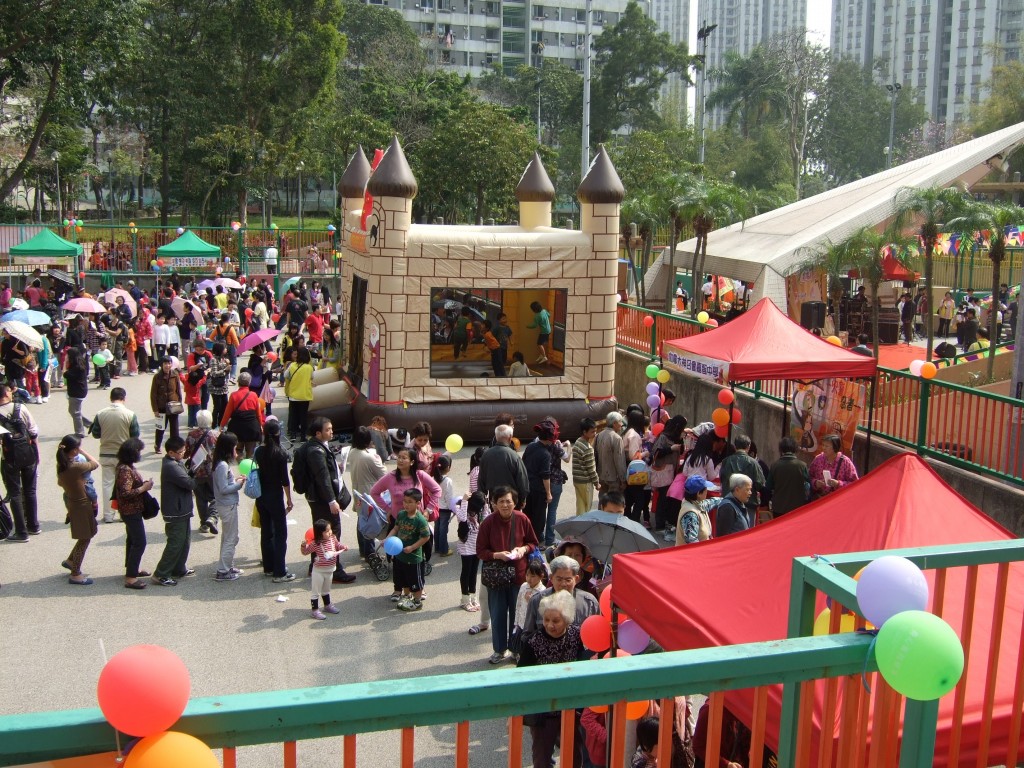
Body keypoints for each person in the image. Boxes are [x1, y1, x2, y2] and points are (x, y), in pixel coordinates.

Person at [517, 590, 589, 768]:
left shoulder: (577, 635)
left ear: (567, 619)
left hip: (570, 707)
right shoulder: (533, 642)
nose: (550, 625)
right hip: (543, 710)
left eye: (556, 621)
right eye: (546, 619)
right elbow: (521, 675)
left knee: (574, 756)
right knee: (542, 758)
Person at [477, 485, 540, 664]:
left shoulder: (522, 519)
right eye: (501, 501)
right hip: (496, 578)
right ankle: (499, 650)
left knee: (518, 615)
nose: (505, 505)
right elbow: (480, 551)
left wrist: (523, 549)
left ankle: (516, 649)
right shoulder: (488, 523)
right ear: (494, 503)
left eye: (508, 501)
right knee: (497, 615)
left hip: (519, 576)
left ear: (515, 503)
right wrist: (496, 555)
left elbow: (533, 543)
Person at [301, 416, 357, 584]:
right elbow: (322, 477)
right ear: (318, 433)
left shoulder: (318, 446)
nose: (332, 432)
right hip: (323, 499)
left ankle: (315, 564)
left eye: (331, 428)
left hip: (319, 497)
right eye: (328, 429)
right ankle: (335, 570)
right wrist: (332, 501)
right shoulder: (315, 451)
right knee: (330, 533)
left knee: (320, 532)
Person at [89, 387, 142, 524]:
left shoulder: (100, 414)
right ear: (124, 398)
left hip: (106, 453)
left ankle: (108, 515)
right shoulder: (130, 414)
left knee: (107, 484)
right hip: (124, 456)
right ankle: (123, 513)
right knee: (125, 485)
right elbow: (135, 435)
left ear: (110, 398)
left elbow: (96, 434)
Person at [151, 436, 196, 587]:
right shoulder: (171, 466)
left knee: (185, 541)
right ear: (171, 452)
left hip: (182, 508)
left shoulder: (175, 463)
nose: (183, 453)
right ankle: (161, 573)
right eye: (181, 452)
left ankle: (178, 568)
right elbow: (189, 483)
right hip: (175, 510)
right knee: (175, 543)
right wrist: (198, 475)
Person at [255, 419, 296, 582]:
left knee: (266, 532)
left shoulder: (259, 451)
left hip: (261, 496)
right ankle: (279, 571)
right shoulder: (280, 453)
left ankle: (269, 566)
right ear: (278, 433)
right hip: (275, 496)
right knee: (280, 534)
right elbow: (284, 480)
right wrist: (289, 499)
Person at [55, 435, 99, 585]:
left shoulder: (62, 465)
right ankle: (75, 573)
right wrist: (83, 451)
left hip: (73, 503)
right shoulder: (75, 466)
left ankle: (70, 561)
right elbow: (95, 463)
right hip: (81, 505)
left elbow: (60, 483)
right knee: (85, 537)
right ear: (74, 450)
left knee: (87, 533)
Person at [521, 554, 601, 633]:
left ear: (576, 579)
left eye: (568, 580)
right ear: (551, 578)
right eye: (559, 579)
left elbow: (597, 632)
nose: (563, 584)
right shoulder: (536, 601)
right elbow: (527, 635)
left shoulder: (589, 603)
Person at [0, 383, 40, 541]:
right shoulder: (20, 408)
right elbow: (33, 431)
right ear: (6, 393)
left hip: (9, 457)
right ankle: (33, 525)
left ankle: (21, 532)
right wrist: (36, 451)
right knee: (30, 491)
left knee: (15, 493)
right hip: (28, 453)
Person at [385, 488, 432, 612]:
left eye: (410, 502)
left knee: (415, 582)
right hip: (400, 556)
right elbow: (396, 528)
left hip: (414, 558)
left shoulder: (420, 520)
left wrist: (412, 547)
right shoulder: (401, 514)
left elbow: (426, 537)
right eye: (404, 501)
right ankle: (407, 597)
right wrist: (388, 538)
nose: (406, 504)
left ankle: (417, 602)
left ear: (418, 503)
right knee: (403, 580)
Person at [114, 438, 152, 589]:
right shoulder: (125, 470)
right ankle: (131, 578)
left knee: (132, 540)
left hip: (130, 510)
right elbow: (125, 493)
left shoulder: (124, 466)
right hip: (130, 510)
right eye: (139, 451)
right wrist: (144, 488)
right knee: (140, 542)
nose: (140, 454)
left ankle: (132, 569)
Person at [348, 426, 387, 559]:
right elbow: (383, 474)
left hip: (358, 490)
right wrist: (378, 458)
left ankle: (363, 549)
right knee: (371, 522)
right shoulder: (369, 457)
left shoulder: (353, 452)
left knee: (362, 520)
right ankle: (370, 552)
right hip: (369, 492)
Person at [211, 430, 245, 581]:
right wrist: (238, 484)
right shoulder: (223, 465)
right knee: (231, 538)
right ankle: (223, 570)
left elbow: (224, 484)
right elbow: (223, 489)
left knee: (229, 537)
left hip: (226, 504)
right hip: (227, 505)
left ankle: (227, 566)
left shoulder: (220, 463)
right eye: (235, 447)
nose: (236, 450)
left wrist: (235, 481)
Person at [301, 518, 346, 619]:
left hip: (330, 570)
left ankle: (327, 605)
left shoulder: (333, 538)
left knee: (326, 589)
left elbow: (338, 545)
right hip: (319, 571)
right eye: (327, 531)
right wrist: (303, 546)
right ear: (319, 533)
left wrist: (343, 547)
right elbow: (305, 552)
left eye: (330, 529)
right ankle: (315, 611)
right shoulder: (315, 544)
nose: (330, 532)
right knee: (316, 592)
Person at [184, 410, 220, 534]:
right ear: (210, 420)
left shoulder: (191, 434)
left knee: (200, 498)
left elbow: (186, 453)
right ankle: (213, 517)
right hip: (212, 470)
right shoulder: (216, 435)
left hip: (196, 470)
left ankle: (204, 523)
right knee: (216, 496)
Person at [478, 424, 529, 505]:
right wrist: (522, 499)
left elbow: (481, 479)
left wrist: (483, 498)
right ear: (510, 437)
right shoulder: (514, 456)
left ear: (496, 436)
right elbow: (522, 480)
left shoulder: (486, 455)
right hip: (511, 501)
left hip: (494, 500)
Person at [718, 434, 765, 520]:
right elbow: (760, 484)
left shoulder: (726, 461)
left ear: (735, 446)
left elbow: (722, 479)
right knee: (748, 528)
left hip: (729, 503)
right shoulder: (754, 463)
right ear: (748, 446)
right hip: (749, 504)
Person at [522, 422, 555, 543]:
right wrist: (549, 493)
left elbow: (523, 462)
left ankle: (527, 539)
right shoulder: (545, 454)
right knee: (539, 518)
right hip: (539, 490)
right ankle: (536, 541)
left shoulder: (530, 446)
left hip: (527, 487)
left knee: (527, 515)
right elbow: (545, 476)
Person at [220, 370, 265, 457]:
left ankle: (239, 463)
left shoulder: (233, 395)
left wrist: (222, 426)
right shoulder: (254, 395)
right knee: (250, 452)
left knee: (237, 451)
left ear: (238, 382)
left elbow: (227, 413)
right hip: (252, 427)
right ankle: (248, 464)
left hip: (237, 427)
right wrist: (260, 425)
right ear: (249, 383)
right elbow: (258, 413)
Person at [456, 491, 486, 612]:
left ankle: (473, 597)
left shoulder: (479, 513)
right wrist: (464, 501)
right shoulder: (460, 508)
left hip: (476, 547)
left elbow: (487, 517)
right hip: (465, 547)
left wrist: (486, 504)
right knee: (466, 572)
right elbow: (462, 518)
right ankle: (465, 599)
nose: (477, 511)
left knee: (473, 572)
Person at [766, 436, 809, 517]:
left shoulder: (775, 465)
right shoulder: (802, 466)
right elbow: (808, 486)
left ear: (781, 449)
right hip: (797, 507)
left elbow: (768, 486)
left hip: (779, 507)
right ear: (795, 449)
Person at [808, 434, 859, 499]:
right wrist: (815, 483)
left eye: (827, 446)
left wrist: (838, 484)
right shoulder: (818, 459)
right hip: (819, 498)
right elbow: (809, 476)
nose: (824, 448)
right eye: (823, 445)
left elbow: (855, 484)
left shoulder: (845, 462)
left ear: (835, 447)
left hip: (837, 499)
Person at [150, 356, 183, 452]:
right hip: (161, 407)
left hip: (173, 406)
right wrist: (155, 409)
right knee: (160, 429)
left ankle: (174, 448)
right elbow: (153, 394)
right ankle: (157, 445)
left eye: (169, 363)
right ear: (162, 364)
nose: (167, 365)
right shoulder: (157, 377)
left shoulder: (175, 375)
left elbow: (178, 390)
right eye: (165, 363)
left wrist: (179, 403)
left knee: (174, 430)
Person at [284, 347, 315, 441]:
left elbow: (286, 375)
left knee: (294, 415)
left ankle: (293, 435)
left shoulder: (292, 365)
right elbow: (312, 377)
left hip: (293, 395)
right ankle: (303, 436)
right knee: (303, 416)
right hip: (305, 395)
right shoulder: (309, 367)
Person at [571, 417, 600, 515]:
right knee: (587, 508)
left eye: (595, 431)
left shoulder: (578, 441)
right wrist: (597, 483)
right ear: (584, 432)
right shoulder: (588, 448)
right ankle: (584, 523)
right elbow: (591, 469)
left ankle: (578, 523)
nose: (595, 434)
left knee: (580, 506)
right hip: (585, 482)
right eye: (592, 432)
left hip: (577, 480)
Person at [676, 475, 715, 545]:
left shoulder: (696, 503)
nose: (707, 492)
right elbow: (692, 542)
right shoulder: (690, 515)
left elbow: (711, 502)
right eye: (705, 489)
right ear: (699, 494)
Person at [593, 412, 626, 494]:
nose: (621, 424)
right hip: (613, 478)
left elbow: (594, 455)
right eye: (620, 422)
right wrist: (623, 479)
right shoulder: (617, 438)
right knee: (614, 500)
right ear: (614, 423)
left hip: (601, 475)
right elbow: (619, 461)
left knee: (602, 499)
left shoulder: (598, 435)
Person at [433, 453, 457, 557]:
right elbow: (449, 497)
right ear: (448, 467)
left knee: (437, 528)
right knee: (443, 530)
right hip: (445, 509)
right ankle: (444, 550)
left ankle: (437, 547)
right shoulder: (448, 481)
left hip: (435, 507)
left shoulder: (434, 478)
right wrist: (452, 508)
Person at [208, 342, 232, 426]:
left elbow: (227, 373)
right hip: (215, 387)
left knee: (225, 405)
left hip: (223, 386)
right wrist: (225, 370)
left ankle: (221, 423)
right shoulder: (213, 360)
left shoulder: (224, 359)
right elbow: (214, 373)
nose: (226, 349)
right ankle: (214, 424)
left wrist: (228, 366)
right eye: (224, 348)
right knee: (217, 406)